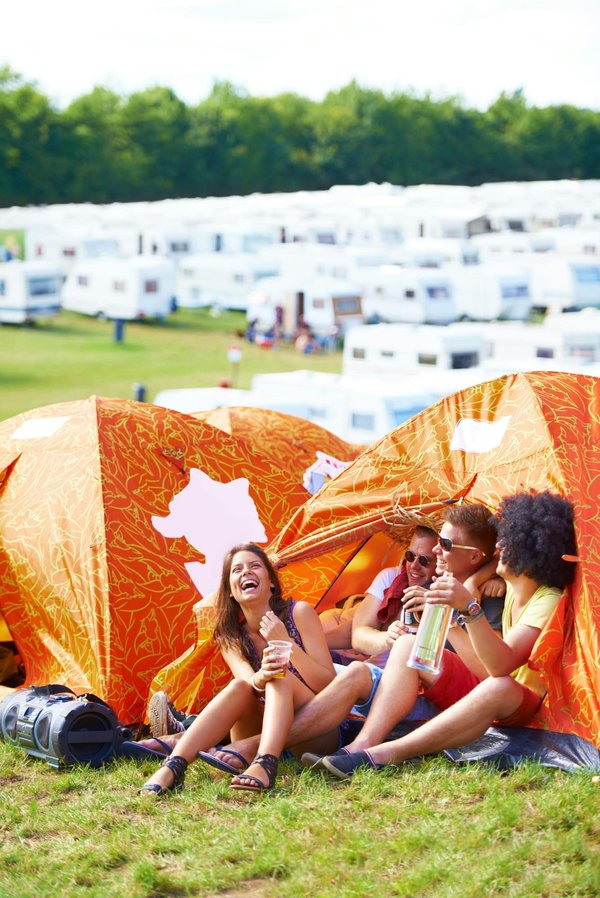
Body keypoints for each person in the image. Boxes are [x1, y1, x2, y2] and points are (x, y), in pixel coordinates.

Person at [188, 509, 500, 768]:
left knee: (341, 672)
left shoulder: (481, 594)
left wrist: (470, 599)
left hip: (412, 689)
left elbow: (492, 672)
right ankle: (193, 736)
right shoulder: (409, 584)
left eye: (440, 547)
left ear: (272, 582)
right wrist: (386, 639)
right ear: (228, 589)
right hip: (386, 678)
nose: (424, 559)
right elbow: (357, 634)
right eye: (410, 556)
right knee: (328, 672)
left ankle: (239, 745)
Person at [303, 490, 577, 778]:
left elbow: (498, 669)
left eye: (507, 540)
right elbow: (483, 558)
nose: (500, 546)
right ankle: (361, 745)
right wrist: (467, 595)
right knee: (408, 644)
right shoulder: (507, 587)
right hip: (484, 688)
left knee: (500, 687)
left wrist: (468, 609)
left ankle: (383, 754)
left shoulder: (547, 599)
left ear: (527, 550)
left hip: (521, 706)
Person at [140, 543, 334, 796]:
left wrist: (285, 643)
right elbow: (248, 686)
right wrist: (261, 676)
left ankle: (264, 762)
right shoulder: (230, 636)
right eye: (237, 570)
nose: (246, 573)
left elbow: (328, 685)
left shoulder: (300, 613)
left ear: (271, 582)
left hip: (315, 730)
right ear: (231, 591)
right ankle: (174, 765)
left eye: (255, 566)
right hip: (260, 727)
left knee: (279, 677)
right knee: (242, 685)